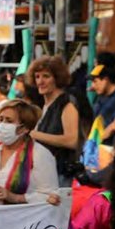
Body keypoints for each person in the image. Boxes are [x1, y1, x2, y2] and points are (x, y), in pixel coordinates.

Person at [0, 99, 60, 205]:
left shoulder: (40, 155)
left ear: (24, 128)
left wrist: (15, 197)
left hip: (22, 219)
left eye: (9, 121)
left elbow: (52, 198)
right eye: (1, 119)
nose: (3, 125)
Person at [28, 56, 82, 186]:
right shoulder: (45, 105)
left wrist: (34, 134)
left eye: (46, 76)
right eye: (37, 77)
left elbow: (72, 141)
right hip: (44, 172)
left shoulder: (66, 103)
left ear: (57, 78)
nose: (40, 81)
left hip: (61, 174)